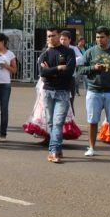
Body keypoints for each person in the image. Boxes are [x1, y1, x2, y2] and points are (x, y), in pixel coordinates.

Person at [78, 26, 110, 159]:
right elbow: (80, 70)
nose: (100, 40)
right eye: (97, 37)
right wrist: (93, 68)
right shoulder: (90, 52)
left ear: (108, 37)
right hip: (94, 91)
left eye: (102, 37)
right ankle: (91, 147)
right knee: (92, 121)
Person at [37, 27, 76, 163]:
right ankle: (57, 148)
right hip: (47, 92)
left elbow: (69, 72)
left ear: (59, 36)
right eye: (48, 36)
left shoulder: (69, 52)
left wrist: (50, 71)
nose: (50, 38)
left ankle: (53, 152)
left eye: (53, 35)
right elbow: (42, 73)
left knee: (58, 123)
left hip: (63, 92)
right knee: (51, 123)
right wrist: (58, 68)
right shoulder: (45, 54)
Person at [60, 30, 83, 112]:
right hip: (58, 79)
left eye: (65, 39)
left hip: (70, 78)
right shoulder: (57, 49)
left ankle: (71, 122)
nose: (63, 41)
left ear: (69, 40)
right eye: (61, 39)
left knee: (70, 102)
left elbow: (81, 58)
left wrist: (71, 62)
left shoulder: (73, 49)